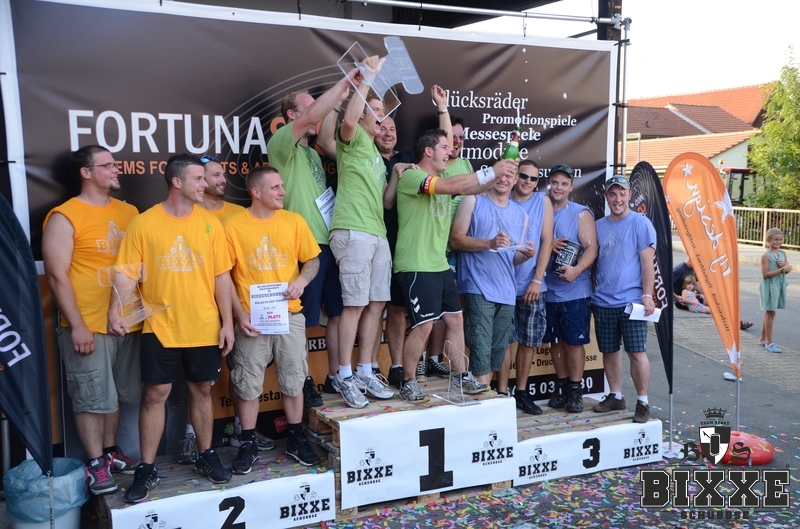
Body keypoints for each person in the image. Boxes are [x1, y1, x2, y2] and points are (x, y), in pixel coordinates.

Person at [109, 154, 235, 503]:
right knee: (155, 396)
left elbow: (221, 277)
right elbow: (126, 273)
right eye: (198, 178)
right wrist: (114, 310)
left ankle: (206, 454)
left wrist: (227, 322)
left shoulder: (211, 224)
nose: (205, 184)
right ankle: (147, 468)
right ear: (177, 182)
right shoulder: (144, 223)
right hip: (159, 327)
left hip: (204, 326)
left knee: (201, 391)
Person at [42, 145, 141, 496]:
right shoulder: (65, 216)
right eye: (108, 165)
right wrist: (78, 325)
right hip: (88, 325)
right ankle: (95, 462)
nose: (117, 169)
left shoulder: (130, 212)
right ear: (86, 172)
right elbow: (56, 275)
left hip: (128, 322)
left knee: (115, 395)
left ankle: (110, 452)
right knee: (91, 396)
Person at [225, 165, 322, 471]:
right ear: (256, 192)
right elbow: (223, 276)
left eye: (282, 185)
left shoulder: (294, 221)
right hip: (251, 319)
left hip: (289, 314)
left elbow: (312, 260)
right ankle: (248, 443)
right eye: (275, 187)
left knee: (294, 379)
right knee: (247, 383)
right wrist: (239, 314)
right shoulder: (232, 226)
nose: (283, 191)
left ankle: (295, 438)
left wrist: (302, 281)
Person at [268, 72, 356, 400]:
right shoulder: (282, 144)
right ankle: (303, 381)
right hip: (302, 247)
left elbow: (321, 119)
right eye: (309, 108)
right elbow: (311, 117)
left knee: (337, 313)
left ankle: (335, 377)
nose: (316, 113)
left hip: (328, 243)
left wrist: (342, 100)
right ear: (292, 115)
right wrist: (342, 87)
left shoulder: (313, 153)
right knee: (302, 321)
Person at [172, 155, 257, 466]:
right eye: (214, 175)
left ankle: (241, 430)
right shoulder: (186, 215)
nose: (222, 180)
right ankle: (191, 437)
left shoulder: (238, 214)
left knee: (242, 372)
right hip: (201, 310)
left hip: (239, 307)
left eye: (223, 174)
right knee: (199, 382)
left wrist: (238, 312)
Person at [329, 55, 396, 408]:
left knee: (377, 303)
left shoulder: (376, 153)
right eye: (376, 110)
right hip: (353, 230)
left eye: (383, 111)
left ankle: (366, 370)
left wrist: (396, 175)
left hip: (377, 233)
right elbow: (350, 118)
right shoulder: (352, 138)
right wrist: (368, 77)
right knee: (354, 306)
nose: (381, 116)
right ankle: (344, 375)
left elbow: (386, 201)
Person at [450, 161, 534, 389]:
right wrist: (489, 243)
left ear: (515, 180)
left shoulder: (522, 214)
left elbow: (512, 258)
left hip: (507, 292)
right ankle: (483, 405)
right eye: (500, 174)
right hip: (478, 287)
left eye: (509, 176)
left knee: (496, 354)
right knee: (480, 352)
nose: (504, 179)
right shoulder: (473, 200)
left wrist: (525, 255)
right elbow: (455, 239)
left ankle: (486, 399)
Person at [591, 175, 656, 424]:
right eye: (612, 194)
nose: (617, 199)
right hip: (603, 301)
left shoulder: (640, 223)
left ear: (629, 195)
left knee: (637, 353)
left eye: (622, 193)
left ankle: (643, 402)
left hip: (632, 302)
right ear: (606, 197)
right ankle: (616, 396)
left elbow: (647, 263)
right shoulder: (598, 225)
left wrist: (647, 296)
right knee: (609, 351)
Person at [497, 159, 553, 414]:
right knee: (504, 341)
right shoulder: (502, 196)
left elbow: (547, 241)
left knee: (528, 341)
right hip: (503, 284)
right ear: (514, 176)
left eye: (533, 178)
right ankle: (502, 393)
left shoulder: (543, 201)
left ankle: (521, 392)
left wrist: (537, 280)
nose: (528, 181)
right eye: (523, 176)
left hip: (532, 284)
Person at [541, 164, 597, 414]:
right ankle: (562, 386)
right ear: (548, 184)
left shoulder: (580, 213)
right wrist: (547, 243)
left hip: (575, 292)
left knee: (573, 343)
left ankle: (575, 389)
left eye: (564, 184)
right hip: (547, 290)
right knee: (554, 342)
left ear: (571, 187)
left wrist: (576, 270)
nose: (559, 187)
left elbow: (592, 248)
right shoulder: (540, 210)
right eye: (555, 182)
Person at [672, 258, 753, 329]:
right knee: (715, 307)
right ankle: (733, 325)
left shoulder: (692, 268)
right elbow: (667, 285)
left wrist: (709, 295)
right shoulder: (679, 270)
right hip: (683, 300)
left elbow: (697, 284)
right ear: (690, 259)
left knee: (718, 302)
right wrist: (676, 297)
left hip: (693, 297)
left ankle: (736, 323)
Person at [759, 228, 791, 353]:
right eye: (775, 239)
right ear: (769, 240)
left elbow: (787, 269)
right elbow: (765, 274)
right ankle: (769, 342)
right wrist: (781, 269)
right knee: (771, 313)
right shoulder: (766, 256)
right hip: (769, 285)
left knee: (769, 312)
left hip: (779, 284)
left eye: (780, 239)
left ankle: (762, 339)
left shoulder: (782, 253)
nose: (778, 242)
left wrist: (786, 267)